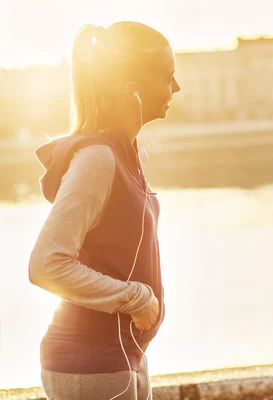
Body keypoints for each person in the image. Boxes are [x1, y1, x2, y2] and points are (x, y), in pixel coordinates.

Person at [29, 21, 180, 399]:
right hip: (88, 362)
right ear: (133, 90)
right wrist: (139, 299)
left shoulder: (128, 156)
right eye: (168, 77)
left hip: (122, 354)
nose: (176, 89)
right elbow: (46, 264)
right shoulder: (97, 159)